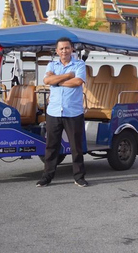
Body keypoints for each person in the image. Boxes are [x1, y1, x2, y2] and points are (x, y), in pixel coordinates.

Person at [37, 37, 88, 188]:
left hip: (73, 112)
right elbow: (47, 81)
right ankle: (47, 177)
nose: (64, 51)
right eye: (61, 49)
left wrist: (56, 81)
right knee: (51, 146)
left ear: (72, 49)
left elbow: (78, 82)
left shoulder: (79, 64)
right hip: (54, 112)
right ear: (57, 51)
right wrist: (67, 76)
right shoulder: (51, 64)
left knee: (76, 147)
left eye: (67, 48)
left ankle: (79, 177)